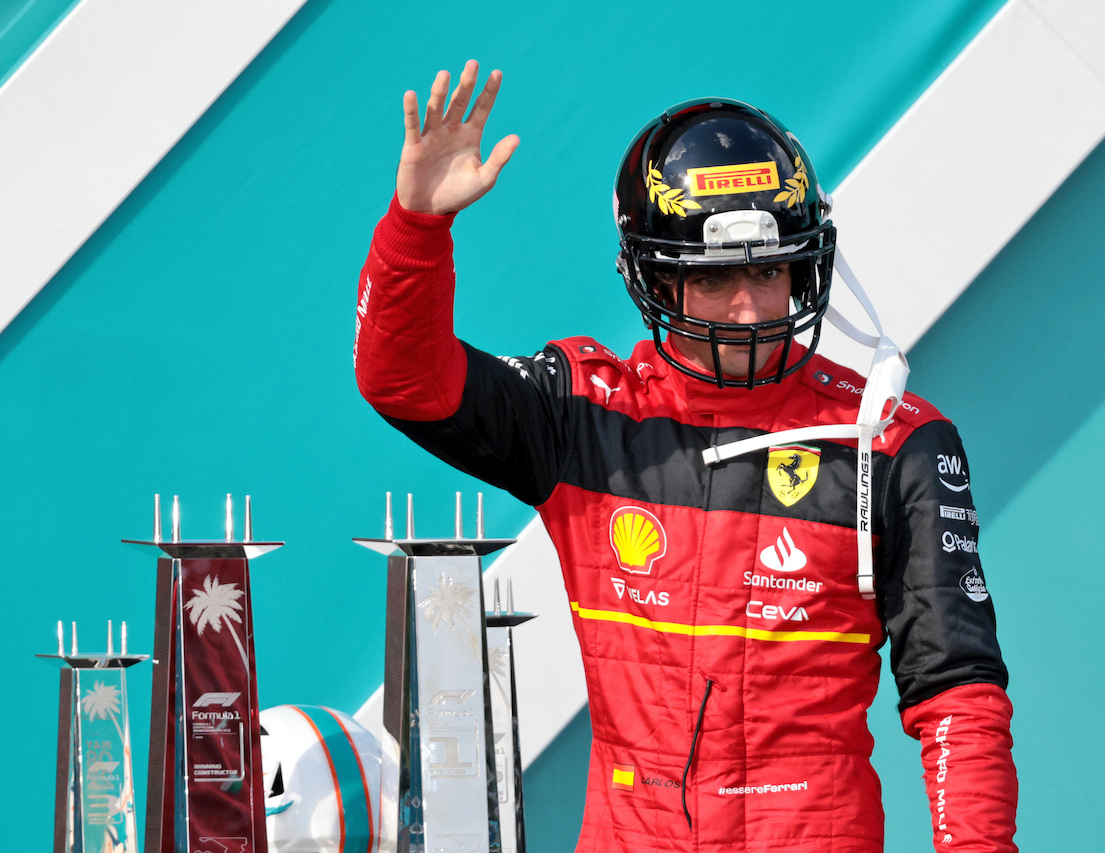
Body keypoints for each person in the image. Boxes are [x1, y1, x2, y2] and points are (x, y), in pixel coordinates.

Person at [354, 61, 1017, 853]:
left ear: (806, 266)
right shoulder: (586, 411)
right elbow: (403, 380)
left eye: (769, 272)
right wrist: (416, 229)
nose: (750, 306)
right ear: (657, 283)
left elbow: (958, 696)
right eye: (716, 281)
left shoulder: (894, 440)